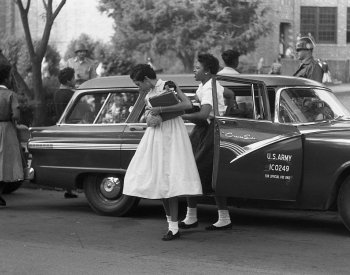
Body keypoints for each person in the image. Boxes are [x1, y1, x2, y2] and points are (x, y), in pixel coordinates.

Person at [122, 64, 202, 241]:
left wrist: (161, 109)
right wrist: (150, 116)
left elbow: (187, 104)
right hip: (156, 134)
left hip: (172, 133)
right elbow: (148, 112)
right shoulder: (146, 93)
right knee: (159, 177)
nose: (138, 88)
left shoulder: (169, 85)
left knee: (170, 177)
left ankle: (174, 227)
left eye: (138, 84)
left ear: (146, 79)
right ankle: (171, 225)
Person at [179, 53, 232, 231]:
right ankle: (196, 216)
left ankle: (206, 216)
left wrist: (181, 115)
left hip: (210, 131)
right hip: (205, 131)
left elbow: (203, 114)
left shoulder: (210, 88)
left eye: (198, 68)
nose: (194, 70)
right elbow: (230, 94)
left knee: (199, 172)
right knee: (204, 173)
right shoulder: (208, 85)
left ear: (207, 71)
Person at [0, 64, 24, 206]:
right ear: (6, 78)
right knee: (5, 162)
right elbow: (16, 115)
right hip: (6, 129)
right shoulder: (10, 94)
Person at [54, 67, 78, 199]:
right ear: (68, 80)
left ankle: (68, 189)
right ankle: (71, 188)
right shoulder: (70, 94)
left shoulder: (57, 93)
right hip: (72, 127)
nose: (75, 80)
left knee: (65, 158)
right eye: (73, 78)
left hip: (61, 126)